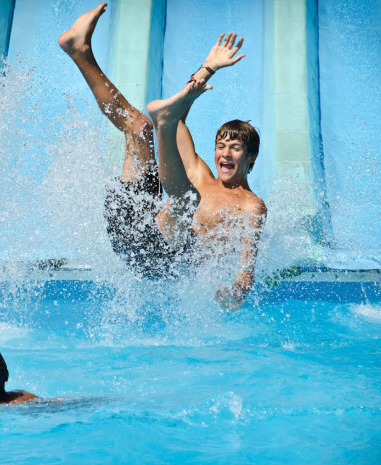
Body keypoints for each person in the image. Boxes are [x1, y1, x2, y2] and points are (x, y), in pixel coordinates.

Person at [59, 3, 266, 311]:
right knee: (139, 127)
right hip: (133, 225)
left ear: (251, 157)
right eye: (221, 146)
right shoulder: (201, 175)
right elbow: (178, 120)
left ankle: (161, 124)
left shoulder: (252, 206)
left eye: (235, 148)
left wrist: (235, 294)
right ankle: (78, 50)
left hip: (160, 263)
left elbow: (246, 268)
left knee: (187, 198)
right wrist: (208, 68)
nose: (225, 153)